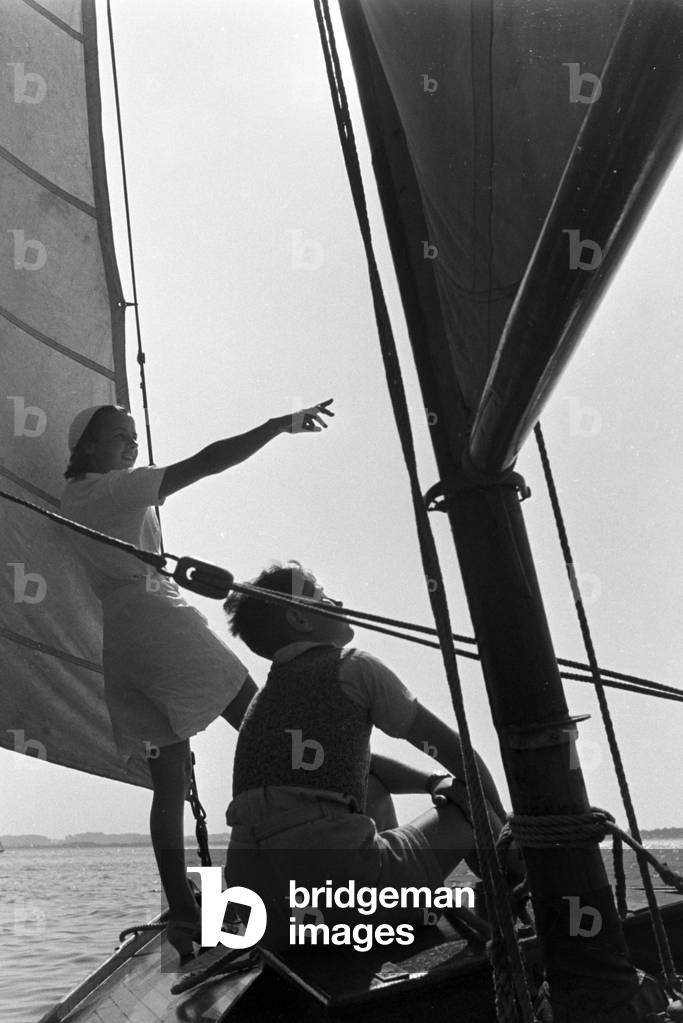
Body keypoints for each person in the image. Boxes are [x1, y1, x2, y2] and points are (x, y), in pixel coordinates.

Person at [60, 402, 333, 957]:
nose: (132, 446)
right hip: (159, 622)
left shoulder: (76, 499)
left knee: (169, 785)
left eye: (134, 438)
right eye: (119, 437)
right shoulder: (114, 489)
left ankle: (187, 918)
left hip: (123, 643)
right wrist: (276, 425)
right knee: (266, 721)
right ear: (87, 448)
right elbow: (207, 462)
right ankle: (295, 876)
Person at [222, 561, 522, 951]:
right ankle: (517, 895)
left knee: (372, 785)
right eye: (323, 596)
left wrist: (431, 782)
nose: (338, 601)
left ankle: (407, 898)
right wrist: (496, 824)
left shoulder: (262, 704)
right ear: (299, 617)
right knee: (472, 805)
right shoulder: (354, 667)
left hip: (267, 920)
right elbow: (458, 753)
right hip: (349, 904)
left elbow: (364, 768)